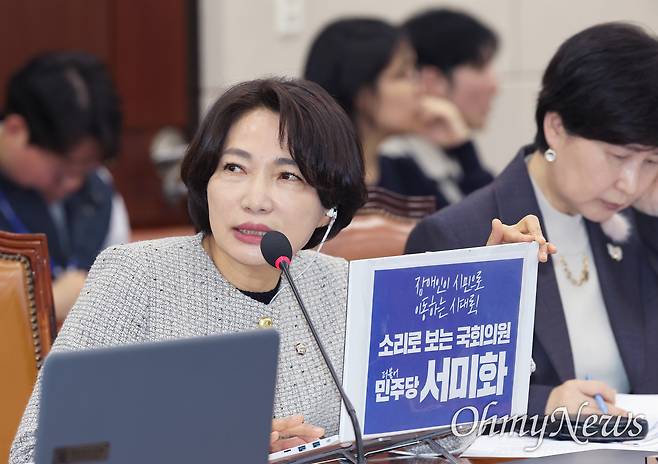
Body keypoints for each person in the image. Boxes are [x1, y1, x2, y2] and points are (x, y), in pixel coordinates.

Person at [10, 77, 553, 463]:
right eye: (233, 168)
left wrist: (492, 291)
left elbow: (442, 440)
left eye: (288, 177)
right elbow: (37, 452)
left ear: (327, 208)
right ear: (204, 181)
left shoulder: (344, 287)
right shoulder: (137, 279)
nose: (255, 198)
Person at [406, 22, 658, 417]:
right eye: (619, 157)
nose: (630, 183)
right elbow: (426, 394)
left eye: (651, 162)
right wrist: (544, 402)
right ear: (556, 128)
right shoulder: (456, 234)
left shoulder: (640, 220)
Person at [0, 51, 128, 321]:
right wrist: (50, 303)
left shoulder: (98, 189)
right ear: (15, 129)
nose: (74, 183)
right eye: (62, 170)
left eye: (85, 169)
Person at [304, 18, 469, 209]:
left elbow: (478, 219)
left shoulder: (403, 172)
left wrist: (462, 147)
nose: (420, 88)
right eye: (402, 74)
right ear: (361, 94)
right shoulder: (316, 185)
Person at [380, 8, 497, 202]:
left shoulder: (450, 153)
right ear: (432, 80)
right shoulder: (393, 163)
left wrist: (465, 151)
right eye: (479, 67)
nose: (494, 86)